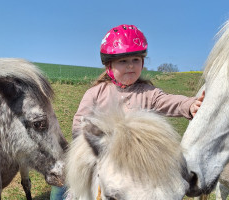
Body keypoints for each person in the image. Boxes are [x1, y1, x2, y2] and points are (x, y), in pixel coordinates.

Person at [50, 24, 204, 200]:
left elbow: (170, 101)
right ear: (109, 65)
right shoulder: (96, 93)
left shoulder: (148, 93)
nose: (131, 66)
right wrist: (86, 147)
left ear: (143, 63)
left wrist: (190, 105)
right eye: (123, 61)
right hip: (102, 155)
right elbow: (80, 122)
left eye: (136, 60)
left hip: (139, 160)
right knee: (64, 185)